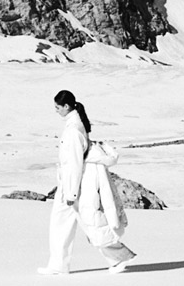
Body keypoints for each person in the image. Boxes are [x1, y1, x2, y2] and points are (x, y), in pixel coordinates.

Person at [38, 90, 137, 275]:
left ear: (66, 107)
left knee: (90, 224)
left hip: (73, 186)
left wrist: (71, 193)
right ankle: (58, 264)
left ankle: (121, 257)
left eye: (58, 108)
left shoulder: (74, 130)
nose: (56, 111)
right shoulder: (73, 125)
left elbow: (75, 163)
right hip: (69, 185)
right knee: (63, 224)